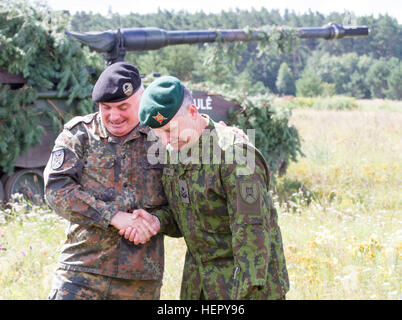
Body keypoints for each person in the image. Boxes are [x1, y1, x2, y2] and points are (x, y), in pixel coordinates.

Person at [122, 76, 289, 299]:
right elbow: (188, 213)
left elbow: (252, 230)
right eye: (158, 134)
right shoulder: (174, 153)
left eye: (170, 130)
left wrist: (246, 291)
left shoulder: (235, 154)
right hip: (199, 282)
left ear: (192, 112)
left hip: (245, 284)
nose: (165, 141)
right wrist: (158, 220)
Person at [44, 62, 180, 300]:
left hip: (140, 280)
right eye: (105, 107)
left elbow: (184, 201)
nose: (114, 116)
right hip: (81, 273)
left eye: (123, 107)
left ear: (141, 98)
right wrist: (113, 217)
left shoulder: (164, 136)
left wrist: (156, 222)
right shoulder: (79, 135)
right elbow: (56, 190)